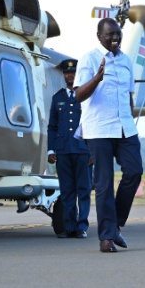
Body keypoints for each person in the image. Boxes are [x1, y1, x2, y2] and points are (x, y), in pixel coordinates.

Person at [74, 17, 143, 253]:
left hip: (125, 126)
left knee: (134, 171)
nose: (115, 38)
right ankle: (106, 238)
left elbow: (129, 96)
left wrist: (130, 118)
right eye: (110, 35)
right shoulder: (89, 59)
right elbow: (79, 95)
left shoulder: (126, 62)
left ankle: (115, 226)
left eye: (118, 35)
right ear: (99, 36)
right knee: (104, 183)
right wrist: (97, 78)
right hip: (99, 128)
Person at [48, 59, 92, 239]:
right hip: (63, 151)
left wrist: (93, 151)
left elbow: (92, 123)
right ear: (64, 75)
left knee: (83, 190)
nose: (70, 75)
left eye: (73, 73)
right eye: (67, 73)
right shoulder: (57, 98)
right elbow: (52, 126)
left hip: (83, 151)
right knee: (67, 191)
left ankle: (82, 226)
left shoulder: (87, 96)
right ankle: (69, 227)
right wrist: (51, 150)